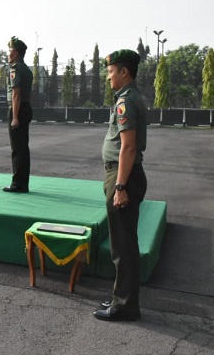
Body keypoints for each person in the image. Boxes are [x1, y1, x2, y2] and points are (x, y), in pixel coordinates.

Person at [93, 49, 148, 322]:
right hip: (122, 174)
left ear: (124, 71)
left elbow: (127, 148)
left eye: (111, 71)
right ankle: (121, 297)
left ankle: (125, 305)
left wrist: (121, 187)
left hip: (122, 174)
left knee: (123, 246)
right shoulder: (130, 98)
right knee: (124, 243)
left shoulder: (126, 102)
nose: (108, 77)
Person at [3, 36, 33, 193]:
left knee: (17, 149)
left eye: (9, 52)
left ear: (15, 53)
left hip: (18, 109)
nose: (8, 55)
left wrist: (15, 116)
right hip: (26, 107)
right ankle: (23, 183)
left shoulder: (14, 69)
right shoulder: (27, 69)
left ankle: (17, 184)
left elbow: (16, 93)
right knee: (23, 148)